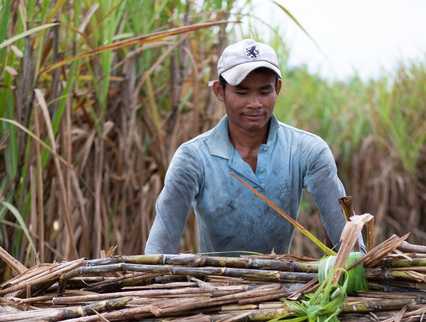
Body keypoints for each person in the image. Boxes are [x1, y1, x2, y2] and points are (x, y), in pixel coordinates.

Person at [145, 39, 358, 256]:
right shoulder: (193, 157)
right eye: (242, 93)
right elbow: (161, 243)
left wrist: (361, 266)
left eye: (264, 92)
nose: (255, 103)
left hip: (281, 284)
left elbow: (345, 233)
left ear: (278, 88)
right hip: (212, 284)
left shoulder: (306, 151)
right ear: (220, 91)